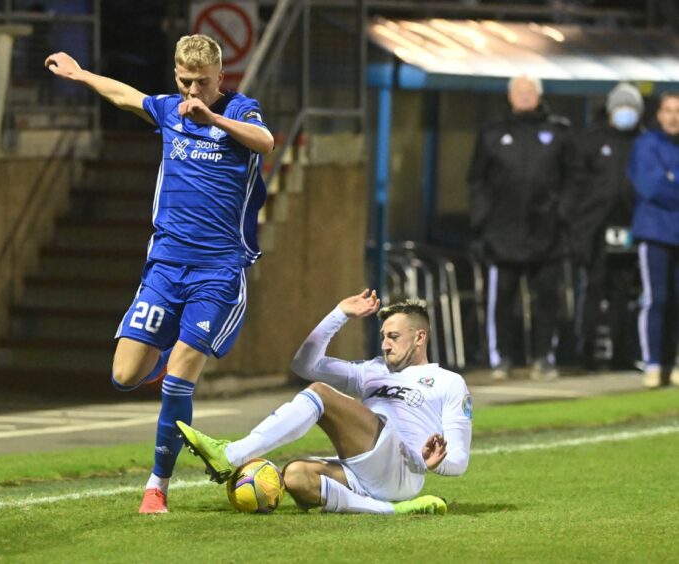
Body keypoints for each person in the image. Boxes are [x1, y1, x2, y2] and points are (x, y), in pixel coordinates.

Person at [45, 34, 274, 513]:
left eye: (204, 83)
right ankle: (168, 347)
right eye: (187, 82)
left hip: (217, 271)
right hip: (166, 267)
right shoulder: (169, 110)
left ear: (221, 79)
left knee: (178, 376)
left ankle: (157, 485)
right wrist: (81, 73)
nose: (194, 92)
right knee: (125, 375)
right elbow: (127, 96)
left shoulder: (240, 110)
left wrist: (213, 117)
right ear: (176, 77)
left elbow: (266, 142)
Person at [177, 290, 472, 515]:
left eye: (393, 337)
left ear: (419, 337)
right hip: (365, 472)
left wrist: (438, 462)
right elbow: (305, 363)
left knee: (321, 392)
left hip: (405, 469)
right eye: (383, 336)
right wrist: (339, 313)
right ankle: (390, 509)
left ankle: (231, 454)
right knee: (295, 476)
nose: (384, 344)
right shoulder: (370, 371)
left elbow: (459, 460)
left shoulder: (449, 382)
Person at [467, 74, 574, 381]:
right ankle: (501, 359)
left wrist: (562, 214)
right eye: (520, 92)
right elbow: (476, 180)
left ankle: (543, 358)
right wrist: (483, 220)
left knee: (547, 299)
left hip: (548, 233)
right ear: (510, 97)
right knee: (501, 299)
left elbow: (572, 178)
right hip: (503, 234)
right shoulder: (492, 133)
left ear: (539, 96)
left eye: (531, 92)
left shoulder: (558, 132)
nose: (525, 96)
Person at [569, 83, 644, 371]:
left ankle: (621, 354)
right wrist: (578, 226)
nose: (626, 113)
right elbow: (576, 186)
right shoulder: (591, 140)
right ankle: (586, 354)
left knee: (623, 293)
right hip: (594, 230)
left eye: (632, 108)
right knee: (594, 290)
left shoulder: (643, 142)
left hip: (631, 228)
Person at [627, 92, 679, 389]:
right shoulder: (646, 144)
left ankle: (674, 362)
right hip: (656, 233)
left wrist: (672, 180)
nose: (673, 117)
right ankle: (654, 363)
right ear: (658, 115)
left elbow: (666, 184)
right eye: (668, 110)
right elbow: (652, 186)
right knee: (656, 299)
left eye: (678, 111)